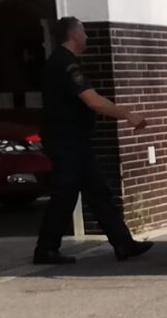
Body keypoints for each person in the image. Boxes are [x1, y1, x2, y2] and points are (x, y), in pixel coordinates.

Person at [32, 16, 154, 267]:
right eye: (84, 32)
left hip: (75, 141)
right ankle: (45, 249)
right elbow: (93, 101)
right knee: (64, 195)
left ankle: (123, 243)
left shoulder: (63, 62)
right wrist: (128, 115)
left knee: (98, 193)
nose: (87, 37)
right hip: (67, 142)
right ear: (74, 34)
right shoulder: (66, 64)